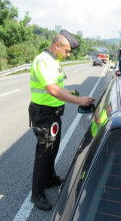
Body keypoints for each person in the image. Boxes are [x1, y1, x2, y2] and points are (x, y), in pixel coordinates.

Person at [28, 29, 94, 211]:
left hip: (53, 113)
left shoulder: (53, 60)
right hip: (44, 114)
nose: (67, 55)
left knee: (53, 148)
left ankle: (49, 178)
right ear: (56, 45)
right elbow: (52, 90)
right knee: (43, 153)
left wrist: (70, 92)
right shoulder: (43, 61)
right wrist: (79, 101)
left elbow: (57, 86)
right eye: (66, 51)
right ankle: (37, 194)